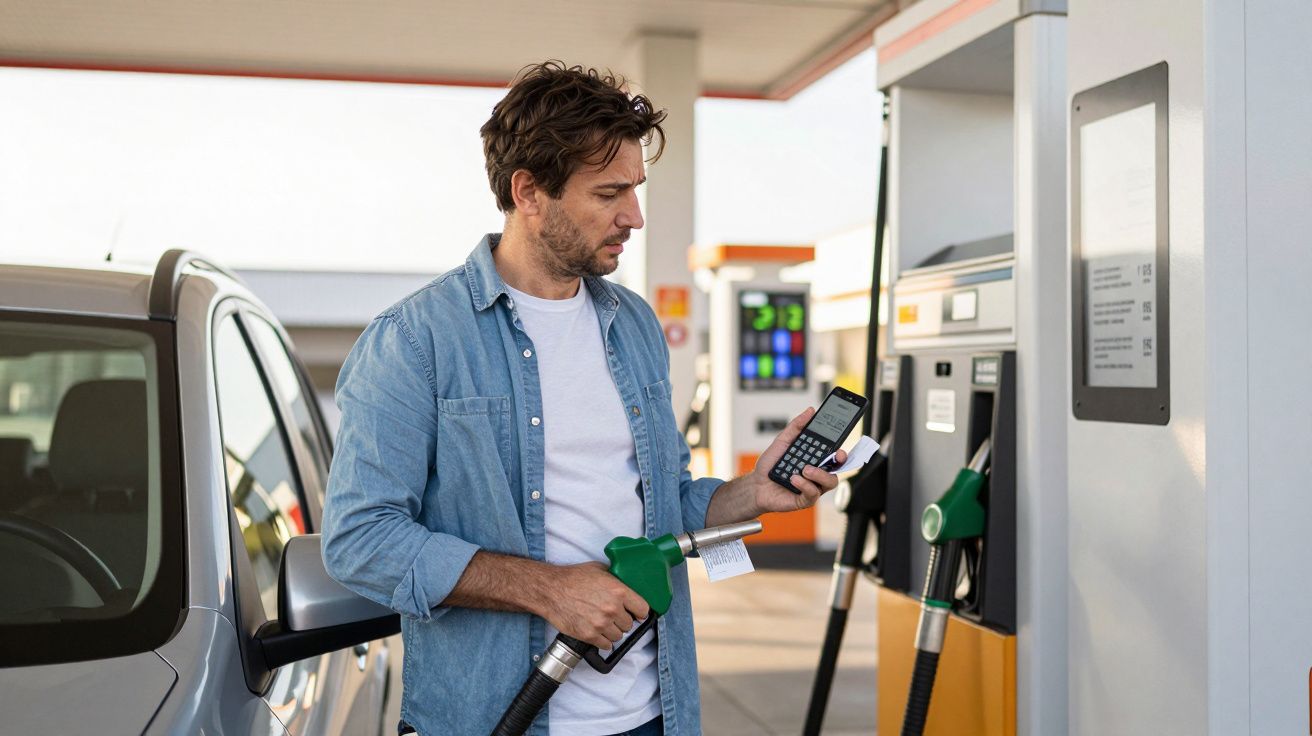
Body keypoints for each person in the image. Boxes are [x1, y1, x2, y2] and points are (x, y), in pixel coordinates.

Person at [322, 61, 846, 736]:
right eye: (609, 193)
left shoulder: (633, 325)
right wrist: (550, 590)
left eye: (635, 189)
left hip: (655, 714)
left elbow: (663, 507)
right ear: (528, 192)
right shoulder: (416, 340)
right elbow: (361, 539)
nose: (634, 216)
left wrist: (754, 491)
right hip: (499, 717)